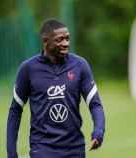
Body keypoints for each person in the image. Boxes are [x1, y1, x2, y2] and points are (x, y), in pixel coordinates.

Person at [7, 19, 105, 158]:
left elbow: (95, 104)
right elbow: (15, 111)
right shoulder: (28, 69)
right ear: (45, 41)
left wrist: (98, 131)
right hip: (42, 149)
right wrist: (11, 152)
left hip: (74, 148)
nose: (65, 43)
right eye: (60, 40)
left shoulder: (80, 65)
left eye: (67, 38)